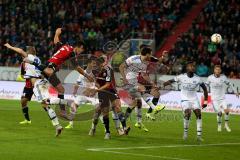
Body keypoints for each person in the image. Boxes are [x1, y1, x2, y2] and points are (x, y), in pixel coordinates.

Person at [24, 28, 94, 115]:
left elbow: (56, 42)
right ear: (78, 47)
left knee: (60, 89)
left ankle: (62, 110)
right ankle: (55, 106)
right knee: (58, 87)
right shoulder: (71, 53)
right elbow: (77, 67)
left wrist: (57, 33)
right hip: (50, 69)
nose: (81, 52)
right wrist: (87, 76)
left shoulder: (65, 47)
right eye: (82, 50)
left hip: (48, 66)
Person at [163, 61, 208, 141]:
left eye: (193, 66)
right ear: (187, 68)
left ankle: (199, 136)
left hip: (194, 99)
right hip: (185, 99)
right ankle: (185, 133)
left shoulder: (197, 78)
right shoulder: (181, 77)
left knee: (198, 114)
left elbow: (205, 89)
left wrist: (205, 101)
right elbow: (171, 81)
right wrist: (162, 85)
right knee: (188, 113)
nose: (192, 67)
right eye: (191, 66)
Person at [89, 57, 130, 139]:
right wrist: (96, 86)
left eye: (99, 64)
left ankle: (124, 128)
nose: (96, 66)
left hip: (111, 90)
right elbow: (95, 81)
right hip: (102, 92)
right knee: (102, 112)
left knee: (117, 107)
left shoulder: (108, 70)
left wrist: (96, 90)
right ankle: (102, 130)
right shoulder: (94, 71)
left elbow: (108, 84)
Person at [4, 43, 41, 124]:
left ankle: (53, 113)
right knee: (23, 101)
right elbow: (23, 74)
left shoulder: (30, 58)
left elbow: (20, 51)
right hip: (30, 83)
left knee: (43, 101)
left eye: (27, 51)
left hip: (33, 83)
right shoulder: (33, 60)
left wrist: (10, 47)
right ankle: (27, 120)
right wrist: (23, 76)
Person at [206, 65, 239, 132]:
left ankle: (226, 125)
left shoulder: (223, 77)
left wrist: (235, 91)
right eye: (216, 69)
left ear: (220, 71)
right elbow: (206, 85)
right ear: (214, 70)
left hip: (222, 98)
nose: (217, 71)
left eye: (219, 70)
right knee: (219, 113)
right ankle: (219, 125)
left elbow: (230, 84)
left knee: (227, 111)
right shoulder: (210, 78)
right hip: (214, 99)